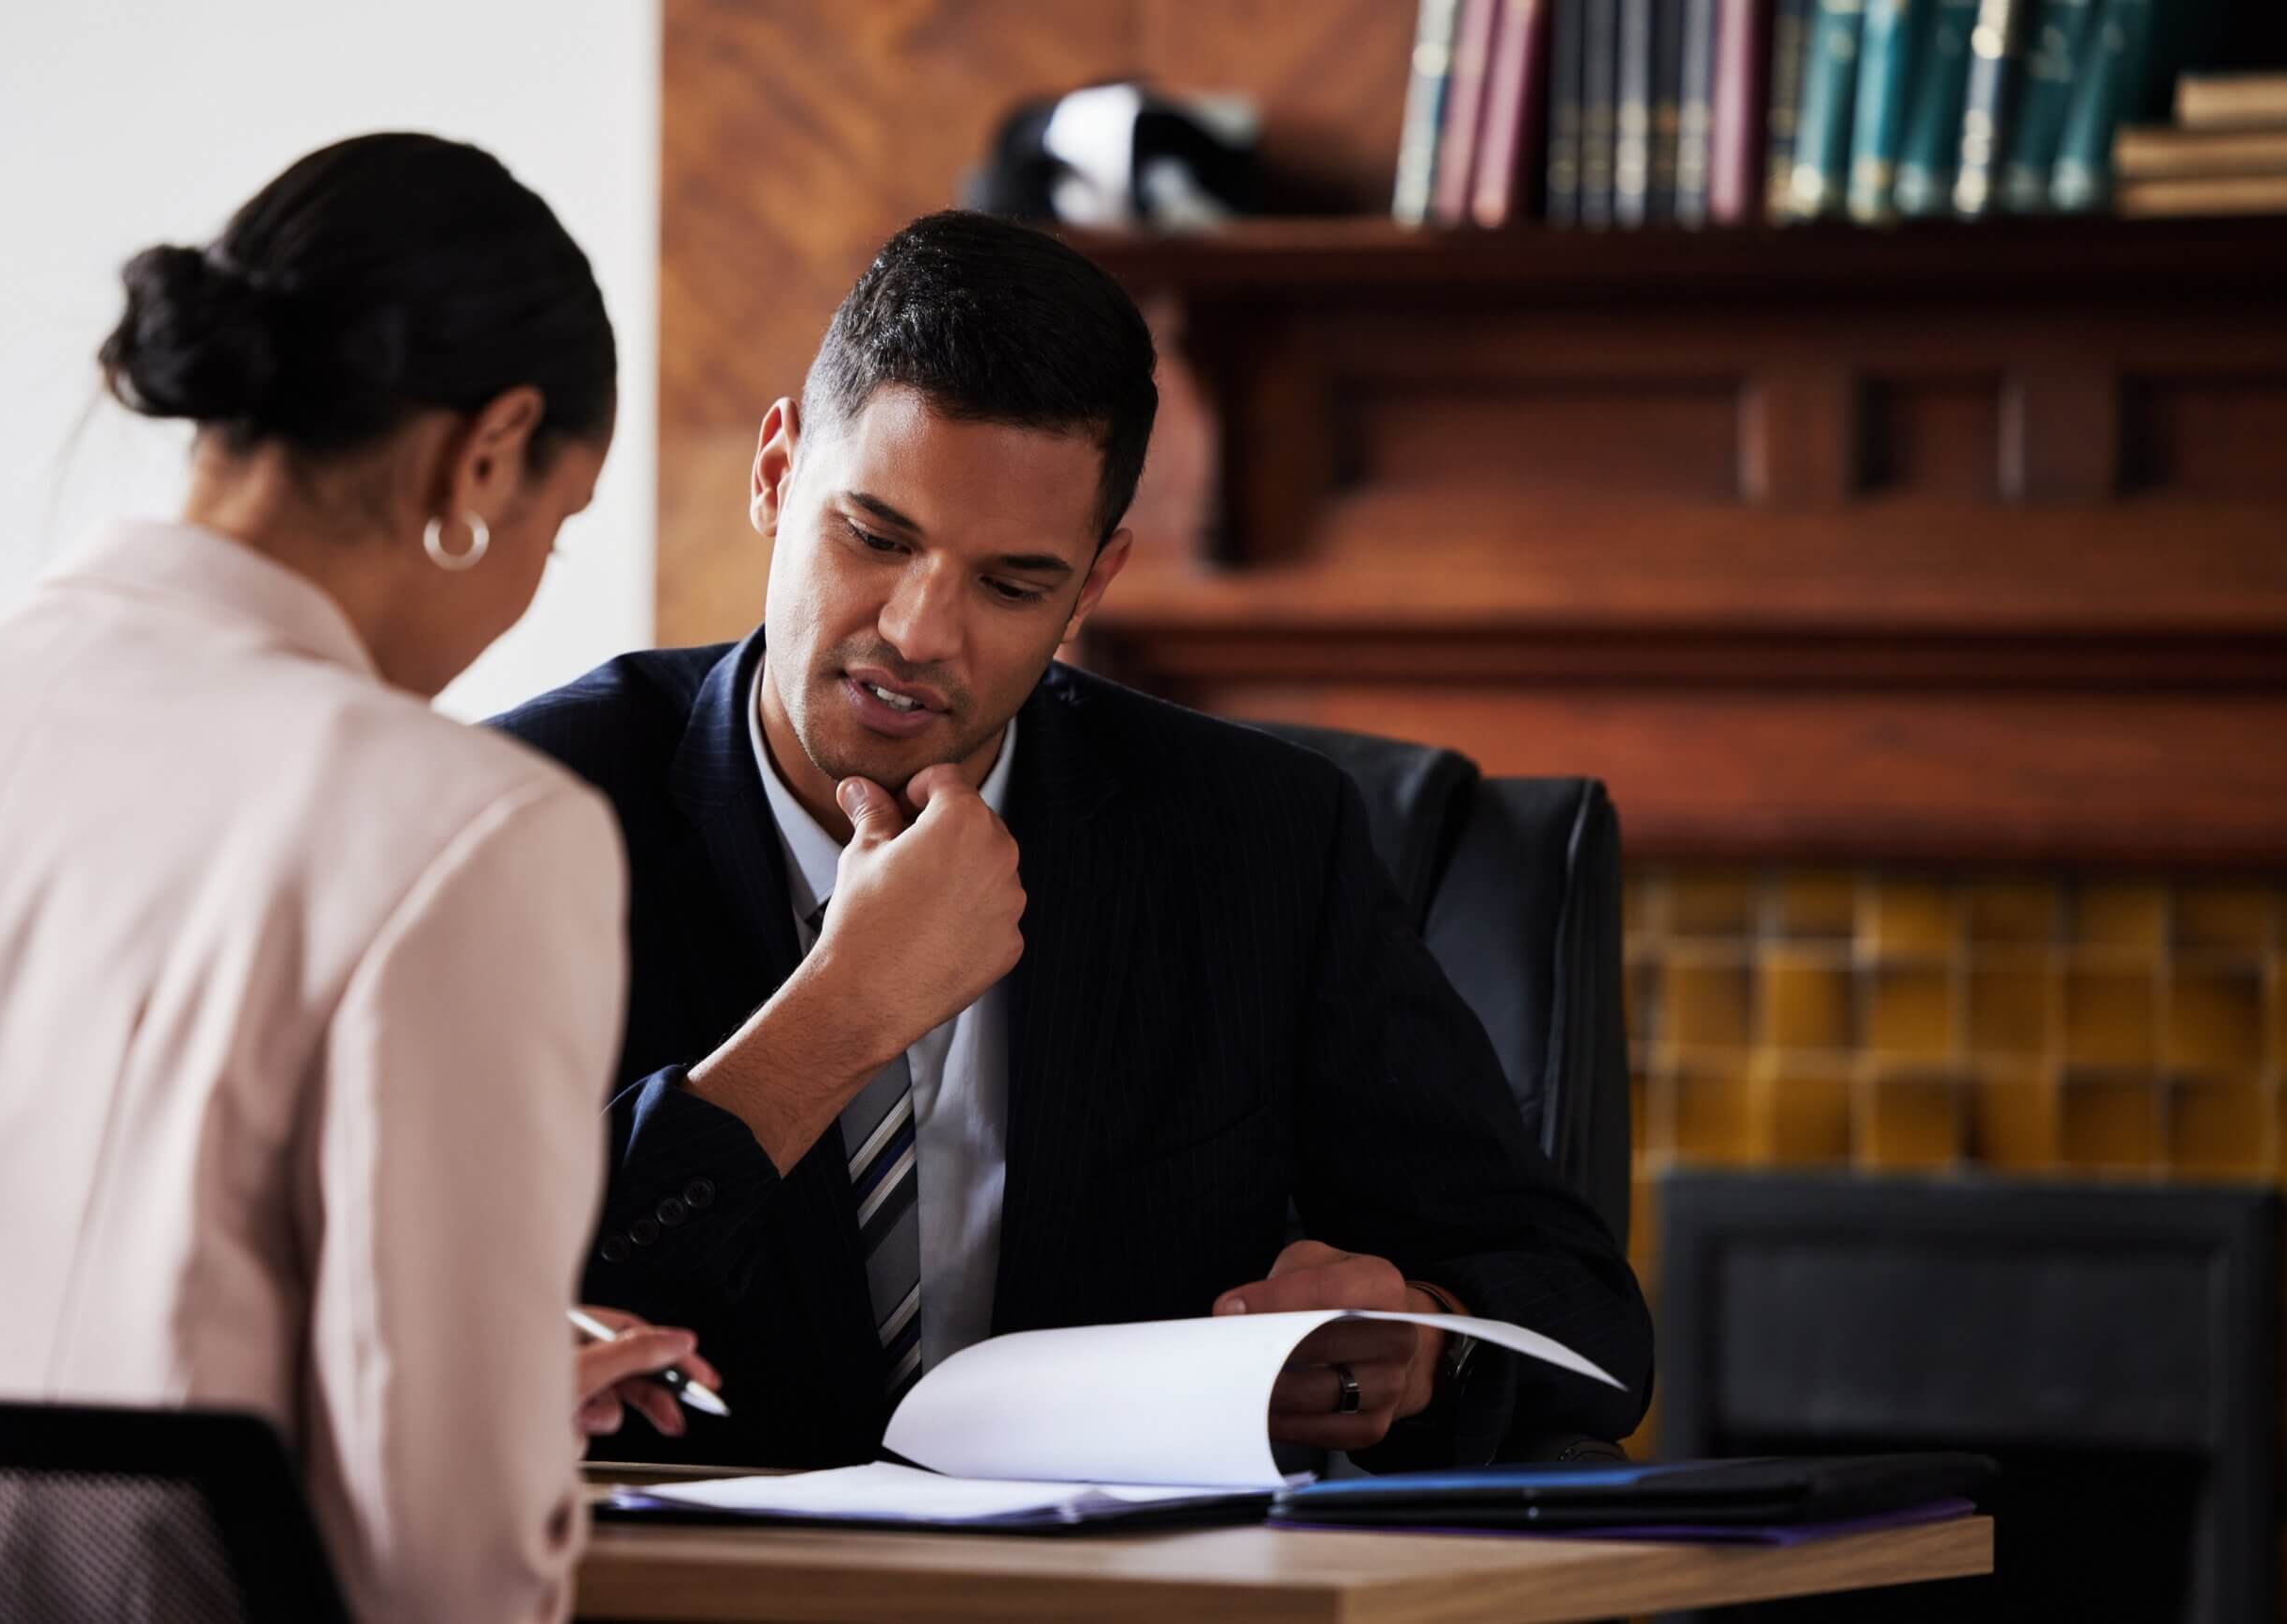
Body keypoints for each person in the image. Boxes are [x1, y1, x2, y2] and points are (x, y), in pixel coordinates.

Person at [492, 211, 1654, 1472]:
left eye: (1010, 584)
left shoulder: (1260, 841)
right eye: (874, 537)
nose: (921, 631)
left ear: (1091, 585)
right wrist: (841, 1013)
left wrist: (1425, 1336)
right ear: (777, 476)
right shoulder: (519, 814)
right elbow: (462, 1313)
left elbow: (1582, 1307)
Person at [0, 135, 703, 1624]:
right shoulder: (466, 827)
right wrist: (496, 1425)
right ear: (487, 453)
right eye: (556, 523)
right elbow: (440, 1562)